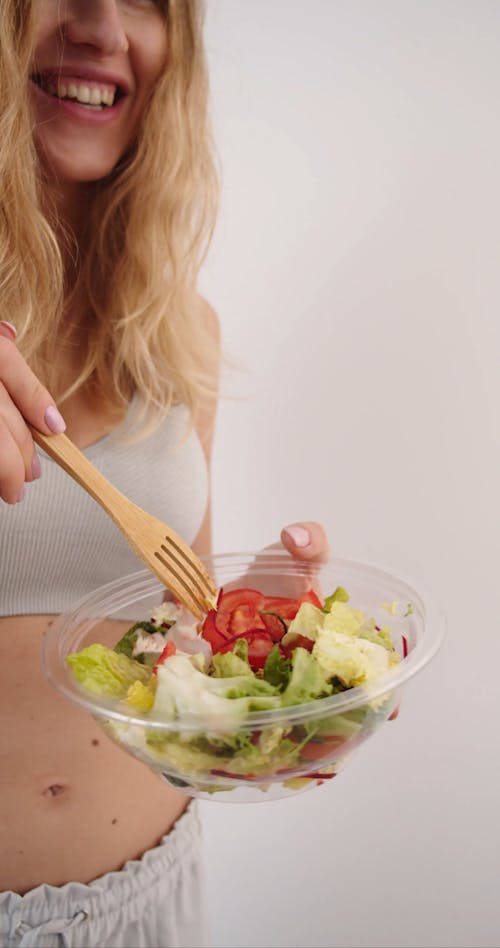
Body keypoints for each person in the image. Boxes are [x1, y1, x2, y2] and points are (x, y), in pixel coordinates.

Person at [0, 2, 330, 946]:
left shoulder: (181, 332)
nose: (102, 25)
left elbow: (170, 623)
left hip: (151, 899)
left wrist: (256, 631)